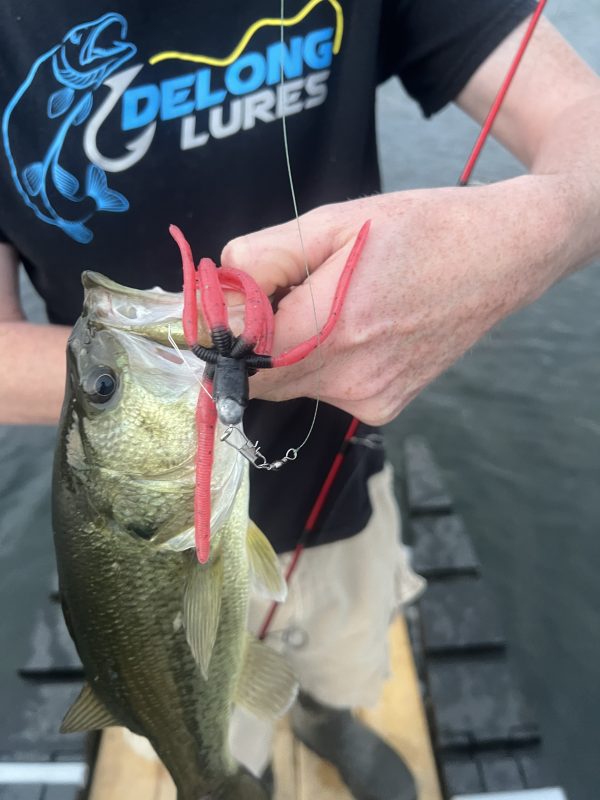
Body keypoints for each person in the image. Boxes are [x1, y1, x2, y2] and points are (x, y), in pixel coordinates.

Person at [1, 2, 599, 798]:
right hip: (138, 546)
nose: (102, 322)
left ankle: (327, 717)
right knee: (197, 715)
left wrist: (544, 228)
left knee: (346, 655)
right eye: (105, 385)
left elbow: (578, 118)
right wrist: (211, 367)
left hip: (339, 476)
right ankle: (213, 770)